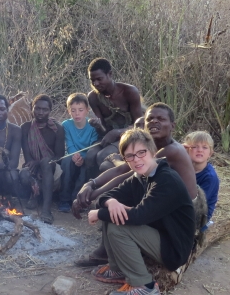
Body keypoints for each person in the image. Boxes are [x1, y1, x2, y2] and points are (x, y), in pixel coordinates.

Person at [74, 103, 204, 267]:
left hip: (183, 216)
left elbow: (129, 175)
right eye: (150, 119)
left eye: (160, 119)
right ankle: (111, 251)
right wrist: (90, 185)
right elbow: (122, 168)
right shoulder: (149, 148)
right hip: (166, 203)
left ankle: (108, 254)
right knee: (118, 201)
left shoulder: (170, 151)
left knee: (124, 205)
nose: (154, 122)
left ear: (172, 125)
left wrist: (94, 200)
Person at [87, 129, 195, 295]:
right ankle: (118, 270)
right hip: (157, 232)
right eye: (129, 156)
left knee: (118, 225)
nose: (136, 159)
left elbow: (139, 216)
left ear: (152, 151)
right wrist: (111, 202)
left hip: (174, 246)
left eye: (141, 152)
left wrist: (98, 214)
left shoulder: (166, 180)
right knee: (112, 213)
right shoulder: (140, 176)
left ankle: (144, 286)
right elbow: (105, 196)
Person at [83, 58, 146, 176]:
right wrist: (97, 126)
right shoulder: (93, 97)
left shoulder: (129, 91)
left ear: (110, 74)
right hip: (110, 137)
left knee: (102, 156)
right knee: (90, 155)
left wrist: (117, 132)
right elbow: (104, 131)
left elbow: (140, 127)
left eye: (99, 79)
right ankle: (91, 187)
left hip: (132, 136)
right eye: (92, 81)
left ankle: (109, 189)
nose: (96, 84)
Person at [20, 94, 65, 224]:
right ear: (32, 108)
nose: (40, 112)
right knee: (23, 175)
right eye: (37, 108)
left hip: (52, 170)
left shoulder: (57, 128)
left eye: (44, 109)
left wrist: (40, 162)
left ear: (50, 111)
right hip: (32, 167)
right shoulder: (25, 127)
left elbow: (59, 157)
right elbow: (27, 155)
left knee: (46, 161)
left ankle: (46, 209)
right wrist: (33, 163)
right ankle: (35, 194)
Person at [58, 93, 99, 213]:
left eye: (80, 110)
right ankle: (64, 199)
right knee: (66, 161)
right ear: (68, 111)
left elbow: (92, 147)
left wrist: (82, 158)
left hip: (86, 157)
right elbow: (69, 144)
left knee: (85, 169)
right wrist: (75, 156)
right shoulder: (66, 124)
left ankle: (77, 200)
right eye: (73, 110)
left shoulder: (92, 126)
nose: (77, 113)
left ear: (87, 110)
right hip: (72, 155)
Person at [183, 131, 220, 230]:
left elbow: (197, 205)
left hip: (197, 218)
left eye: (205, 147)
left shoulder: (210, 177)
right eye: (194, 147)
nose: (200, 150)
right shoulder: (183, 168)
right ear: (187, 150)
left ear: (210, 153)